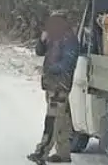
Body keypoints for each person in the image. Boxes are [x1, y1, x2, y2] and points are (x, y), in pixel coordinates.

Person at [27, 12, 79, 163]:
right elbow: (39, 52)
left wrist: (51, 69)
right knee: (62, 119)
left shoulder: (69, 39)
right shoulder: (53, 37)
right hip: (51, 84)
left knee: (53, 119)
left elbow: (68, 63)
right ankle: (63, 153)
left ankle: (41, 152)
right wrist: (42, 41)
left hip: (60, 85)